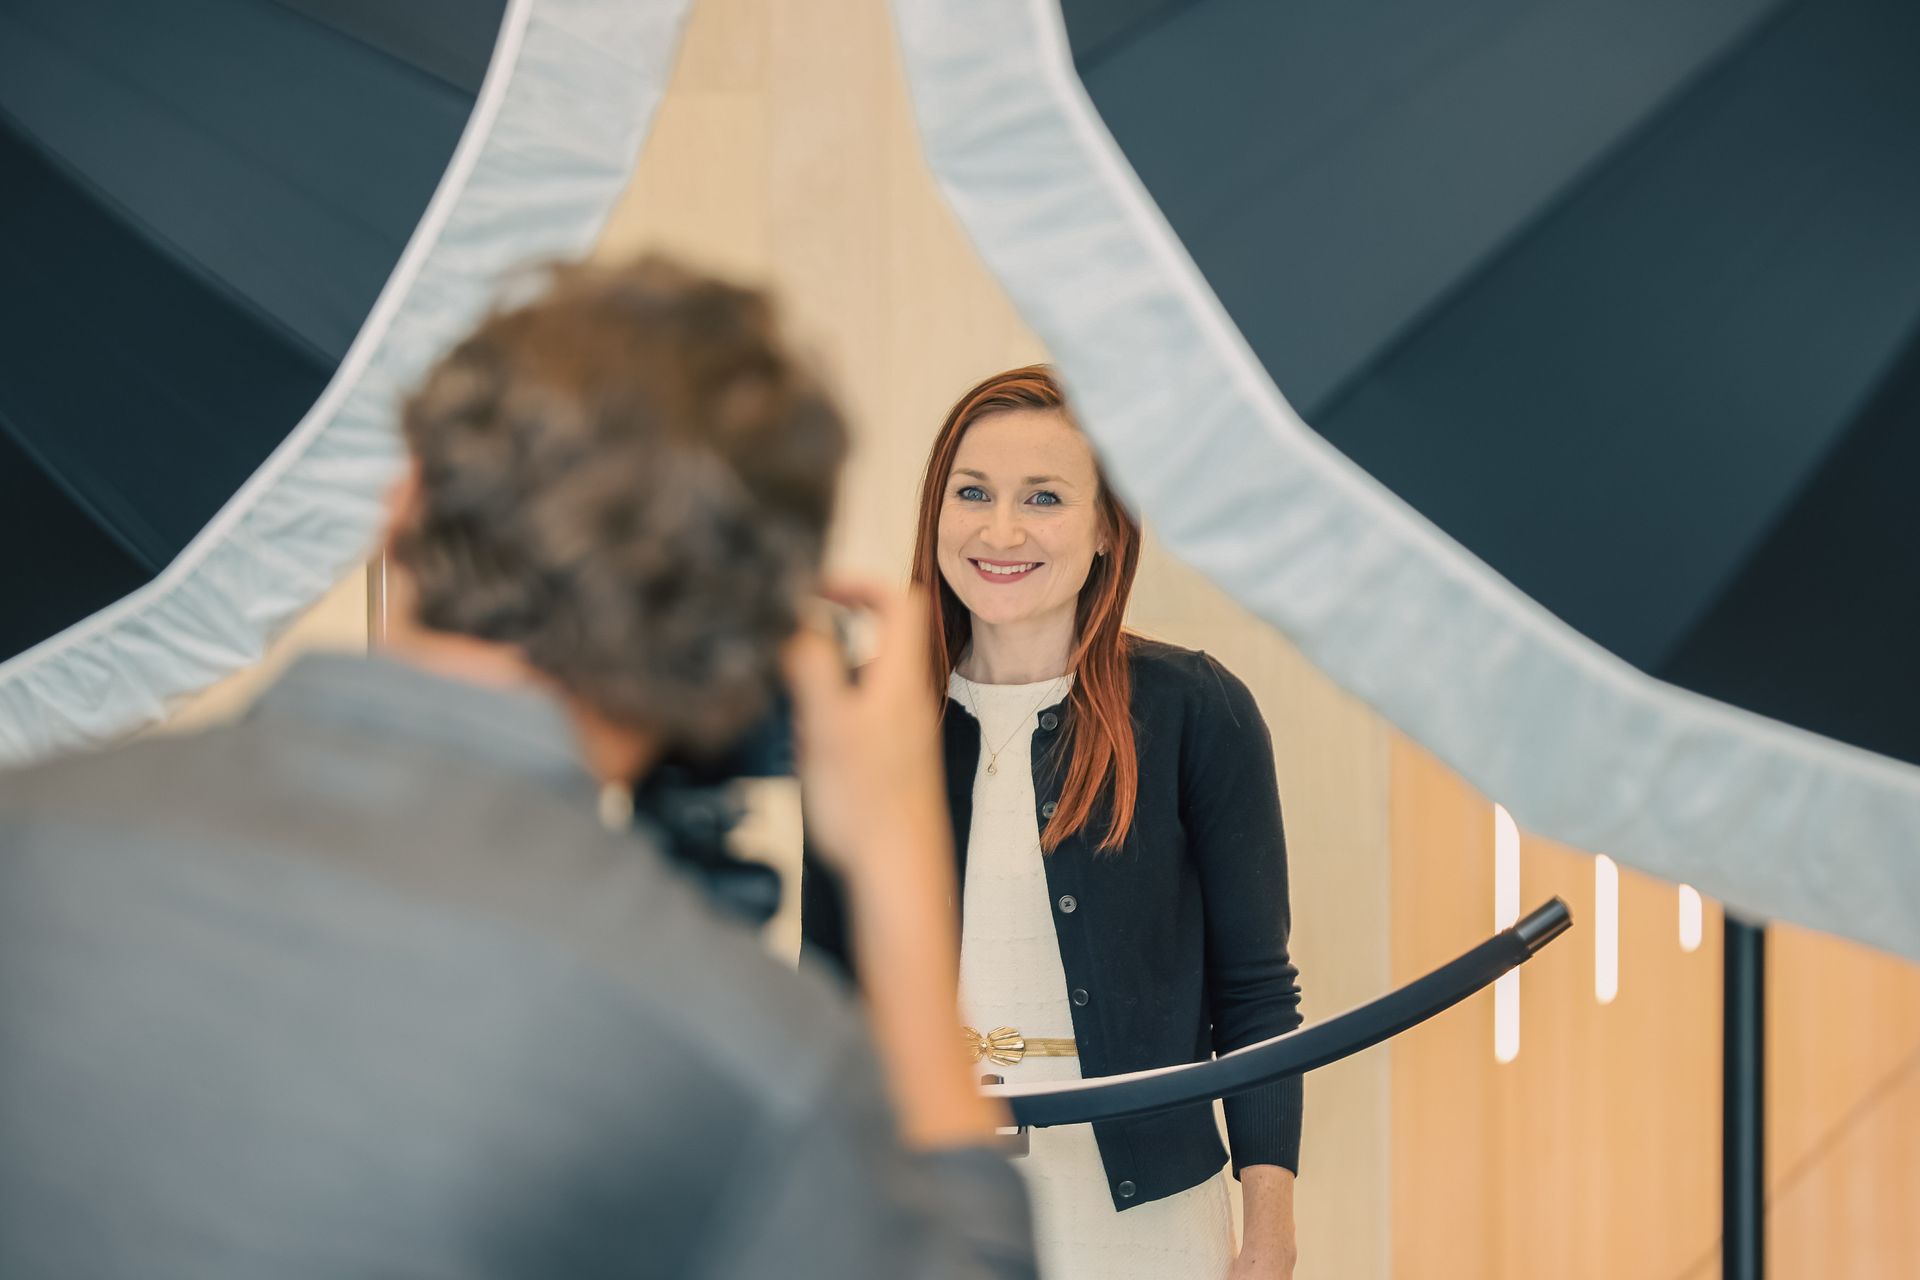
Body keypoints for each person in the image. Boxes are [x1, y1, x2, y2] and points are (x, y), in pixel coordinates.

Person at [0, 259, 1036, 1279]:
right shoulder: (753, 1054)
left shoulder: (28, 833)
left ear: (400, 500)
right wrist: (900, 867)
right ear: (741, 643)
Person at [804, 367, 1303, 1279]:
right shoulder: (867, 715)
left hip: (1147, 1217)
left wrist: (1269, 1233)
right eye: (973, 494)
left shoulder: (1198, 710)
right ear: (936, 513)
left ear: (1109, 527)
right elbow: (827, 989)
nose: (1003, 531)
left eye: (1044, 497)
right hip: (921, 1200)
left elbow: (1258, 996)